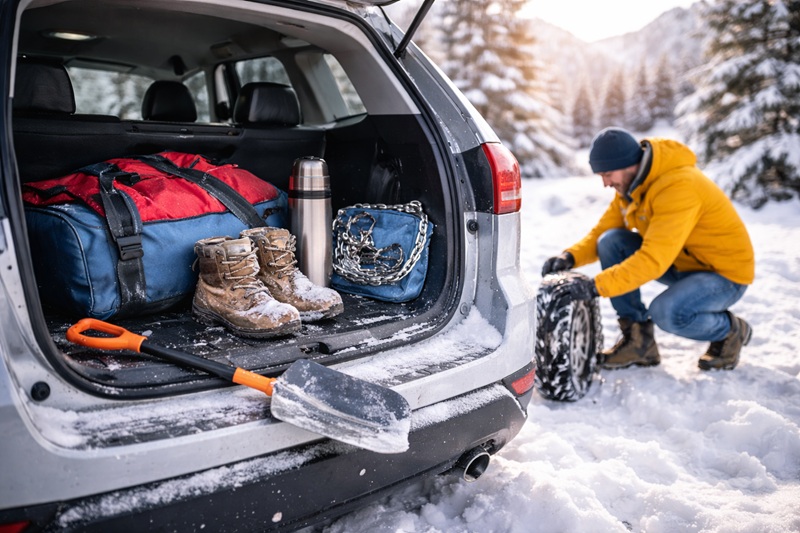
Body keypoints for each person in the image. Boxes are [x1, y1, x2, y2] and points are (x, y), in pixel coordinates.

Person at [542, 127, 755, 371]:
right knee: (611, 241)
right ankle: (638, 342)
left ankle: (731, 330)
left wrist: (594, 287)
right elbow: (602, 231)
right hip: (682, 263)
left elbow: (653, 259)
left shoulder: (678, 187)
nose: (605, 183)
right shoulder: (633, 186)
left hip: (724, 275)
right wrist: (569, 257)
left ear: (628, 163)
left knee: (667, 312)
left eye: (608, 174)